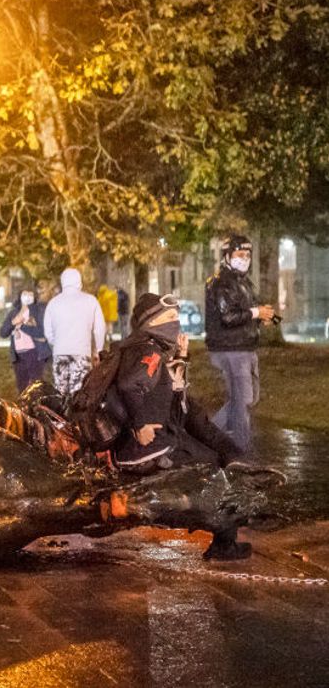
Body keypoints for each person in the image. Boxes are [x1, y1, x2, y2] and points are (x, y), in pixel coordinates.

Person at [111, 293, 260, 559]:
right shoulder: (149, 351)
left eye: (176, 317)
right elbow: (129, 385)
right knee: (214, 469)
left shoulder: (145, 346)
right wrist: (140, 425)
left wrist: (181, 357)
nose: (175, 323)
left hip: (160, 438)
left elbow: (164, 391)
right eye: (169, 318)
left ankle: (227, 534)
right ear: (151, 322)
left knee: (211, 445)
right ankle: (224, 543)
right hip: (153, 447)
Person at [204, 234, 275, 453]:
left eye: (247, 254)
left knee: (246, 399)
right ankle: (240, 450)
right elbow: (228, 317)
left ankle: (206, 434)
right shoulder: (222, 282)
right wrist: (256, 312)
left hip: (244, 346)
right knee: (242, 401)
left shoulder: (243, 281)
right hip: (230, 349)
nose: (244, 258)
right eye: (239, 254)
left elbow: (245, 313)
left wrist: (262, 317)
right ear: (227, 255)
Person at [43, 268, 107, 399]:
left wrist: (57, 343)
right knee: (78, 395)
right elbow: (99, 328)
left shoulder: (53, 303)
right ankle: (76, 419)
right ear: (79, 282)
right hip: (81, 353)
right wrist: (98, 350)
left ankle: (61, 417)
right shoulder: (91, 301)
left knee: (61, 394)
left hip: (60, 353)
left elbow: (48, 331)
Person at [0, 286, 52, 394]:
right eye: (25, 293)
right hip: (18, 356)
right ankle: (24, 410)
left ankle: (36, 409)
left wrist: (22, 326)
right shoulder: (14, 313)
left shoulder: (38, 311)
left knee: (35, 389)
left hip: (35, 354)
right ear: (20, 296)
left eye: (30, 294)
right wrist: (14, 322)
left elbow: (42, 334)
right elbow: (3, 333)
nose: (27, 296)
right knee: (22, 388)